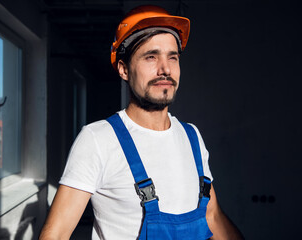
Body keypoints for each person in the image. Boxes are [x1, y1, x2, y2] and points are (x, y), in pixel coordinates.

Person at [40, 5, 244, 240]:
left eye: (172, 57)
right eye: (151, 57)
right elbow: (54, 235)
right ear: (124, 69)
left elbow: (212, 216)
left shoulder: (191, 136)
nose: (165, 69)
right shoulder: (98, 140)